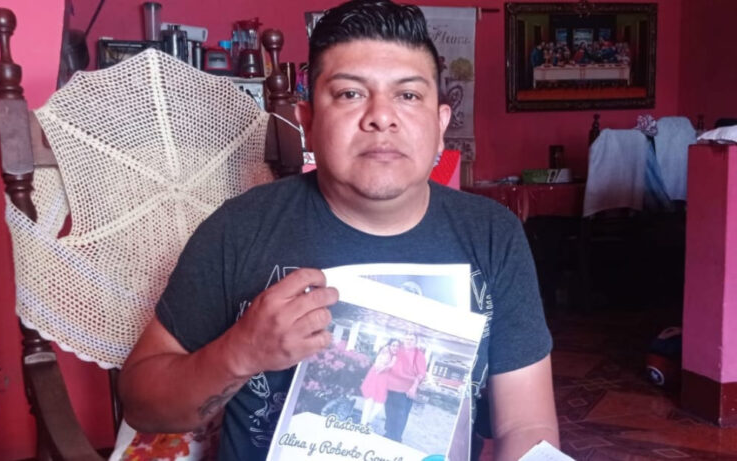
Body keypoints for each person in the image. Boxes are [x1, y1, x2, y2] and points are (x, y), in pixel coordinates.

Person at [119, 1, 559, 459]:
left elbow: (526, 424)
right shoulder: (239, 229)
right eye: (350, 93)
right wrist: (240, 352)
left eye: (408, 95)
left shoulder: (492, 234)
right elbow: (142, 405)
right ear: (308, 123)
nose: (381, 116)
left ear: (440, 124)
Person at [383, 331, 426, 442]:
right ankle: (388, 433)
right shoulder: (399, 351)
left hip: (405, 390)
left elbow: (421, 374)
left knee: (401, 415)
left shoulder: (418, 355)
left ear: (416, 342)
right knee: (389, 411)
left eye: (411, 339)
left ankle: (396, 437)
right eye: (407, 339)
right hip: (390, 386)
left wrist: (413, 388)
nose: (408, 341)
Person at [359, 338, 401, 427]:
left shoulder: (395, 356)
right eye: (393, 345)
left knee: (379, 403)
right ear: (389, 345)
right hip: (376, 377)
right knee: (370, 400)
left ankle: (367, 421)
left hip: (384, 381)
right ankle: (363, 423)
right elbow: (379, 366)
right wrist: (390, 364)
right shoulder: (386, 352)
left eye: (397, 346)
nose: (395, 348)